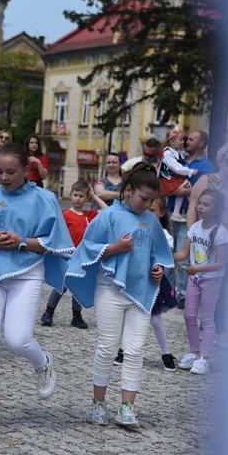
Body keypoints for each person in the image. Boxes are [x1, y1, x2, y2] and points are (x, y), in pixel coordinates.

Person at [0, 143, 74, 430]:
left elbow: (58, 244)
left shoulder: (45, 199)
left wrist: (22, 241)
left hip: (27, 273)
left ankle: (43, 362)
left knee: (18, 340)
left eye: (11, 171)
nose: (4, 177)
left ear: (27, 170)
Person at [65, 162, 173, 427]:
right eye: (143, 198)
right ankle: (98, 402)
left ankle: (127, 407)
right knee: (108, 348)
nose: (147, 205)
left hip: (141, 293)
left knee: (135, 351)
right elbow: (87, 248)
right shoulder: (108, 216)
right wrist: (115, 247)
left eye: (151, 201)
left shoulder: (151, 221)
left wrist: (157, 269)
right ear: (127, 190)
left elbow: (157, 254)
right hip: (110, 290)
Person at [116, 194, 179, 370]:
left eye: (153, 210)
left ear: (161, 213)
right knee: (127, 315)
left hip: (153, 281)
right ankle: (123, 350)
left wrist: (157, 267)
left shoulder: (165, 235)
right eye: (148, 209)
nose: (149, 213)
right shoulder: (136, 226)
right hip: (134, 278)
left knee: (155, 320)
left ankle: (166, 353)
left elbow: (162, 256)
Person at [174, 189, 228, 375]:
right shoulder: (195, 227)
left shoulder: (221, 232)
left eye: (206, 204)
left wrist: (196, 268)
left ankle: (204, 358)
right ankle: (194, 353)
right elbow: (183, 254)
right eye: (199, 203)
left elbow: (220, 263)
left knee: (206, 319)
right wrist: (166, 255)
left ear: (216, 209)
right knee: (189, 316)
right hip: (194, 278)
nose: (200, 207)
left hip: (211, 280)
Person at [187, 144, 228, 349]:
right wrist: (191, 237)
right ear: (220, 161)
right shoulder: (209, 181)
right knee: (210, 286)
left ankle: (211, 328)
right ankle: (215, 330)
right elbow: (192, 208)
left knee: (223, 286)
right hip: (206, 243)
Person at [41, 181, 107, 329]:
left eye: (81, 196)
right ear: (70, 195)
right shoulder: (64, 214)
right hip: (65, 256)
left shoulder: (89, 215)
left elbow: (106, 210)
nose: (77, 198)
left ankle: (76, 316)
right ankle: (48, 312)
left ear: (86, 198)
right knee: (61, 286)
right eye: (75, 195)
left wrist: (94, 195)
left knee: (77, 284)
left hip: (80, 258)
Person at [170, 130, 214, 309]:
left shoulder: (206, 165)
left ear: (201, 143)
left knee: (183, 255)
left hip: (187, 215)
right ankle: (166, 291)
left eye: (191, 139)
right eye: (186, 139)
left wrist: (183, 191)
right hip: (169, 210)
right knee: (166, 252)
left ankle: (182, 295)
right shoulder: (178, 159)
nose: (187, 141)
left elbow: (204, 190)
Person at [157, 127, 197, 223]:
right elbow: (176, 167)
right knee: (187, 186)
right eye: (180, 139)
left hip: (169, 179)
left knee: (186, 185)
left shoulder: (176, 152)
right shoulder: (167, 153)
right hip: (165, 180)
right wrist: (190, 171)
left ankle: (176, 212)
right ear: (172, 142)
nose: (183, 142)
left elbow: (182, 155)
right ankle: (192, 208)